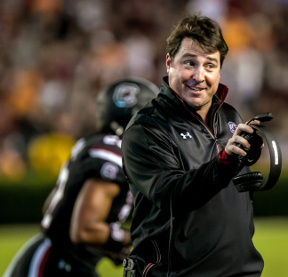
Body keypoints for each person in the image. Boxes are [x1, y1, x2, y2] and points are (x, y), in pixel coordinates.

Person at [121, 14, 264, 277]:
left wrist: (246, 160)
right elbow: (171, 194)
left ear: (220, 70)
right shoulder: (147, 129)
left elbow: (230, 195)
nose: (199, 76)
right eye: (189, 63)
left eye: (210, 65)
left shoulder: (231, 116)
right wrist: (225, 163)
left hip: (240, 272)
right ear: (169, 63)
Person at [4, 77, 159, 277]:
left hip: (59, 258)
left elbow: (54, 209)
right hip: (55, 264)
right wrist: (137, 239)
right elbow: (84, 229)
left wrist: (106, 245)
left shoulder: (96, 143)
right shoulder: (115, 155)